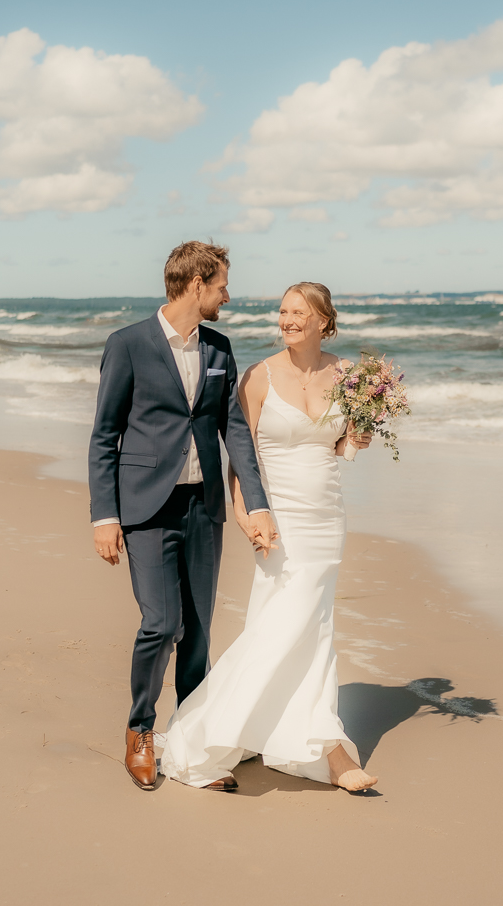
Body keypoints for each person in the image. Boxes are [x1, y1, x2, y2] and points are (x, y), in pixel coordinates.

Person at [158, 282, 378, 793]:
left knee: (312, 624)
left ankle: (302, 735)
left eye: (299, 312)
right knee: (284, 624)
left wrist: (356, 440)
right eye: (283, 311)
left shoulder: (349, 375)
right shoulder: (258, 376)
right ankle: (324, 749)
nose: (287, 320)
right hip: (279, 519)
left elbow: (340, 447)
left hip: (327, 518)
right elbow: (240, 453)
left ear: (324, 320)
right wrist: (247, 514)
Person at [88, 241, 277, 792]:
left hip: (202, 507)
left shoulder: (219, 348)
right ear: (196, 283)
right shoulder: (127, 345)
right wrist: (105, 515)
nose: (227, 295)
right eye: (221, 284)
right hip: (145, 506)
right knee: (161, 624)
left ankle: (194, 743)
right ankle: (141, 729)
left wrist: (257, 501)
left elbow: (232, 431)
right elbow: (105, 435)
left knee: (197, 634)